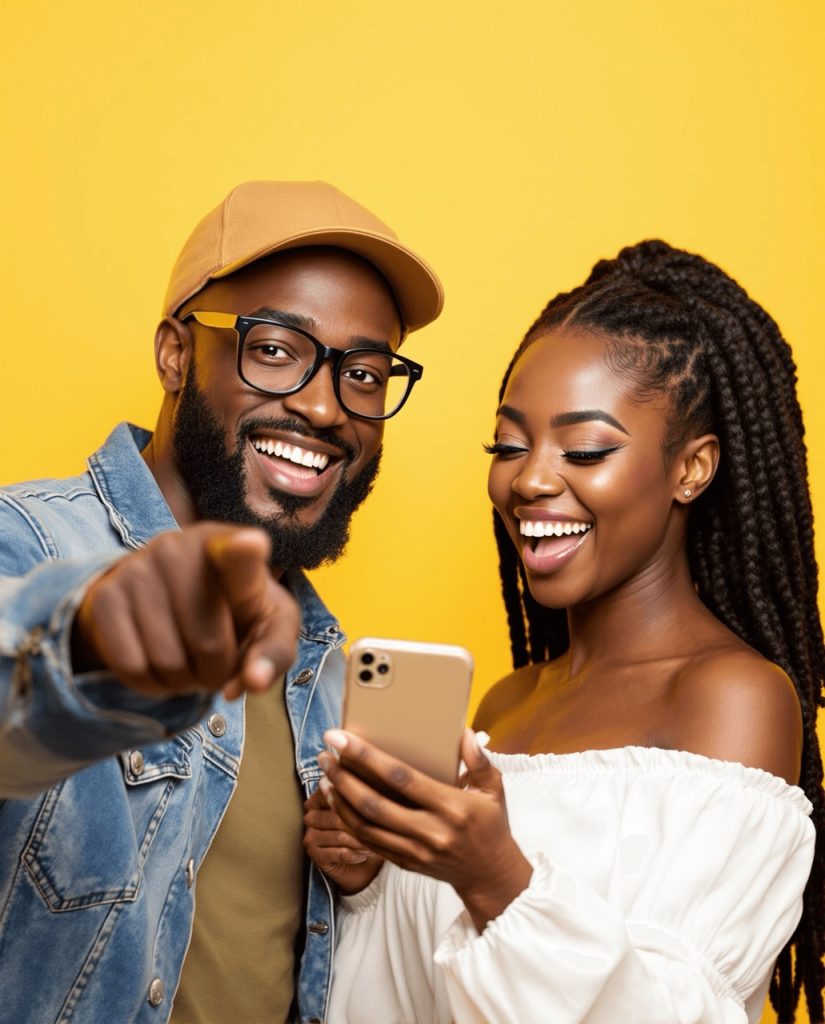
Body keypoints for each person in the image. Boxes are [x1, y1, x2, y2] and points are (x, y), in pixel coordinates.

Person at [305, 240, 825, 1023]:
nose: (530, 479)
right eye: (509, 446)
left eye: (584, 450)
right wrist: (365, 879)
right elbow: (424, 995)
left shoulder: (731, 698)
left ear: (691, 468)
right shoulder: (505, 703)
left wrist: (494, 877)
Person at [0, 180, 443, 1024]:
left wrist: (360, 883)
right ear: (175, 354)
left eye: (362, 373)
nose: (324, 406)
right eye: (274, 349)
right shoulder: (25, 546)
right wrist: (86, 643)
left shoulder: (330, 679)